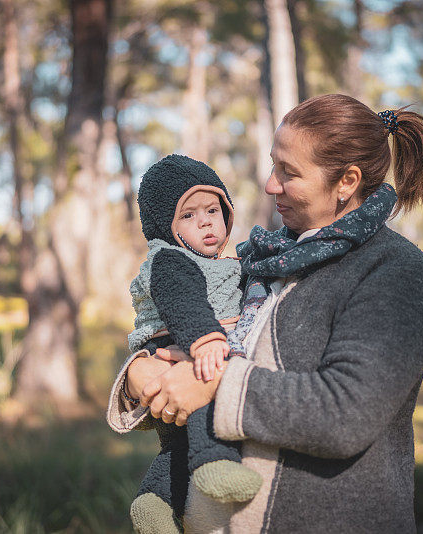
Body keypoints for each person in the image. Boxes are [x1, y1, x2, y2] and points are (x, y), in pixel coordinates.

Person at [111, 94, 423, 533]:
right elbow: (196, 337)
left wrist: (214, 386)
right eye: (273, 165)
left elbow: (346, 412)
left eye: (289, 172)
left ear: (347, 181)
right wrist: (139, 372)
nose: (270, 184)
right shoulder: (263, 258)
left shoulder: (394, 271)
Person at [107, 154, 263, 534]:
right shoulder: (171, 260)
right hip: (180, 342)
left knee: (176, 450)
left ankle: (154, 502)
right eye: (188, 216)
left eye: (213, 209)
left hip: (182, 344)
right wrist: (206, 340)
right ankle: (215, 466)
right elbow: (183, 301)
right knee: (205, 403)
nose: (206, 221)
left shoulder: (223, 260)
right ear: (165, 226)